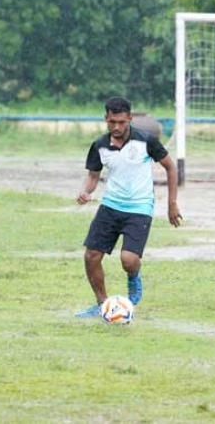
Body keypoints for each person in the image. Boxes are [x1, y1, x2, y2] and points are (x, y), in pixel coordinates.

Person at [75, 97, 183, 317]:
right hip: (110, 205)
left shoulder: (146, 141)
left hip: (139, 207)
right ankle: (102, 304)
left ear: (130, 119)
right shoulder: (99, 145)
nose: (117, 127)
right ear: (106, 119)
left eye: (122, 122)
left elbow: (171, 168)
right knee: (91, 257)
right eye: (112, 121)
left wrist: (172, 203)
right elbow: (93, 176)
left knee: (129, 260)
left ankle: (134, 278)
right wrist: (86, 191)